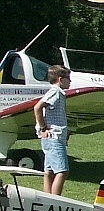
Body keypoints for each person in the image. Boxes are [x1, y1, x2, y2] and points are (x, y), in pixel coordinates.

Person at [32, 65, 71, 195]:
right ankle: (56, 201)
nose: (70, 81)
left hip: (51, 138)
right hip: (54, 138)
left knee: (48, 172)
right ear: (60, 79)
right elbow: (37, 108)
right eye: (68, 78)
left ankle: (47, 199)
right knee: (62, 171)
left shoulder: (57, 93)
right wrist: (43, 128)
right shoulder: (56, 92)